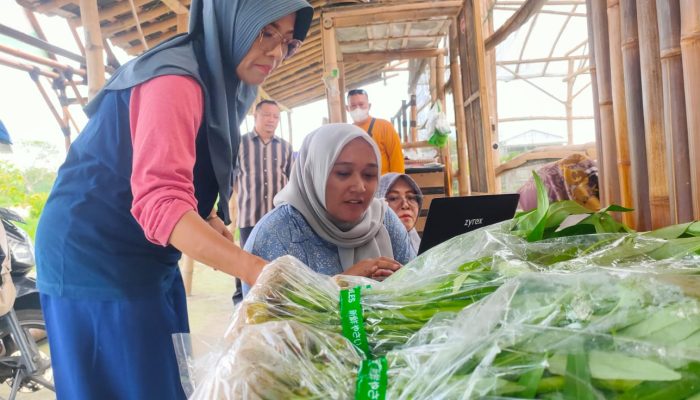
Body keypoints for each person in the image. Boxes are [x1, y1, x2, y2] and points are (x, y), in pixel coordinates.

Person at [33, 0, 313, 398]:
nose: (276, 51)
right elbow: (160, 197)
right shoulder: (176, 79)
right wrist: (256, 269)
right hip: (93, 257)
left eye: (287, 41)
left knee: (167, 376)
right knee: (124, 385)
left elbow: (177, 171)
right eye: (265, 31)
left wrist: (207, 215)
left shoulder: (227, 87)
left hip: (148, 255)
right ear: (232, 20)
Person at [241, 124, 415, 295]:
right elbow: (262, 318)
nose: (360, 187)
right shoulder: (277, 235)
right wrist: (340, 286)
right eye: (343, 173)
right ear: (314, 172)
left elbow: (418, 286)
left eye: (369, 175)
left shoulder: (383, 220)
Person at [233, 99, 293, 301]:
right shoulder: (239, 144)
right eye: (266, 115)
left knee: (277, 263)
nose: (271, 120)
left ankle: (274, 304)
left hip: (278, 218)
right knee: (244, 262)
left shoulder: (285, 147)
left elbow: (292, 180)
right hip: (249, 216)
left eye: (275, 116)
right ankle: (241, 304)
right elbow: (229, 178)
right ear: (255, 116)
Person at [346, 88, 405, 174]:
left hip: (383, 184)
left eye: (361, 104)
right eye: (353, 106)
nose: (357, 109)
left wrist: (397, 183)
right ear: (347, 108)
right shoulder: (347, 132)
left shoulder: (385, 126)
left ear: (369, 106)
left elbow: (396, 159)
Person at [376, 173, 423, 253]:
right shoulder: (373, 250)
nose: (405, 205)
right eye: (393, 198)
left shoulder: (417, 246)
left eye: (411, 197)